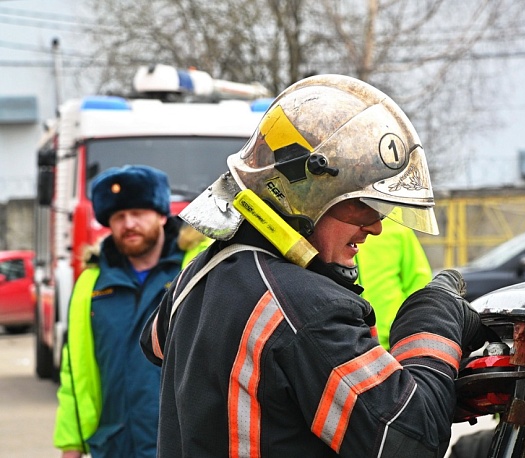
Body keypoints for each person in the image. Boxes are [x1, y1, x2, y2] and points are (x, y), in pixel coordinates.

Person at [140, 74, 495, 457]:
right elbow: (410, 439)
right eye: (362, 205)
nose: (375, 226)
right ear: (302, 196)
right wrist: (432, 315)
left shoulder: (198, 276)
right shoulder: (302, 310)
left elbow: (156, 345)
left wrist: (438, 390)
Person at [53, 165, 208, 458]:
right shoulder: (90, 283)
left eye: (138, 213)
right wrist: (71, 444)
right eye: (119, 217)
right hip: (114, 444)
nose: (129, 223)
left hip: (180, 445)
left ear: (162, 215)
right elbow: (76, 372)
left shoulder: (195, 271)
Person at [355, 215, 433, 349]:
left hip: (394, 342)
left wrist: (410, 327)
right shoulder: (334, 220)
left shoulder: (396, 223)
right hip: (349, 340)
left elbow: (419, 283)